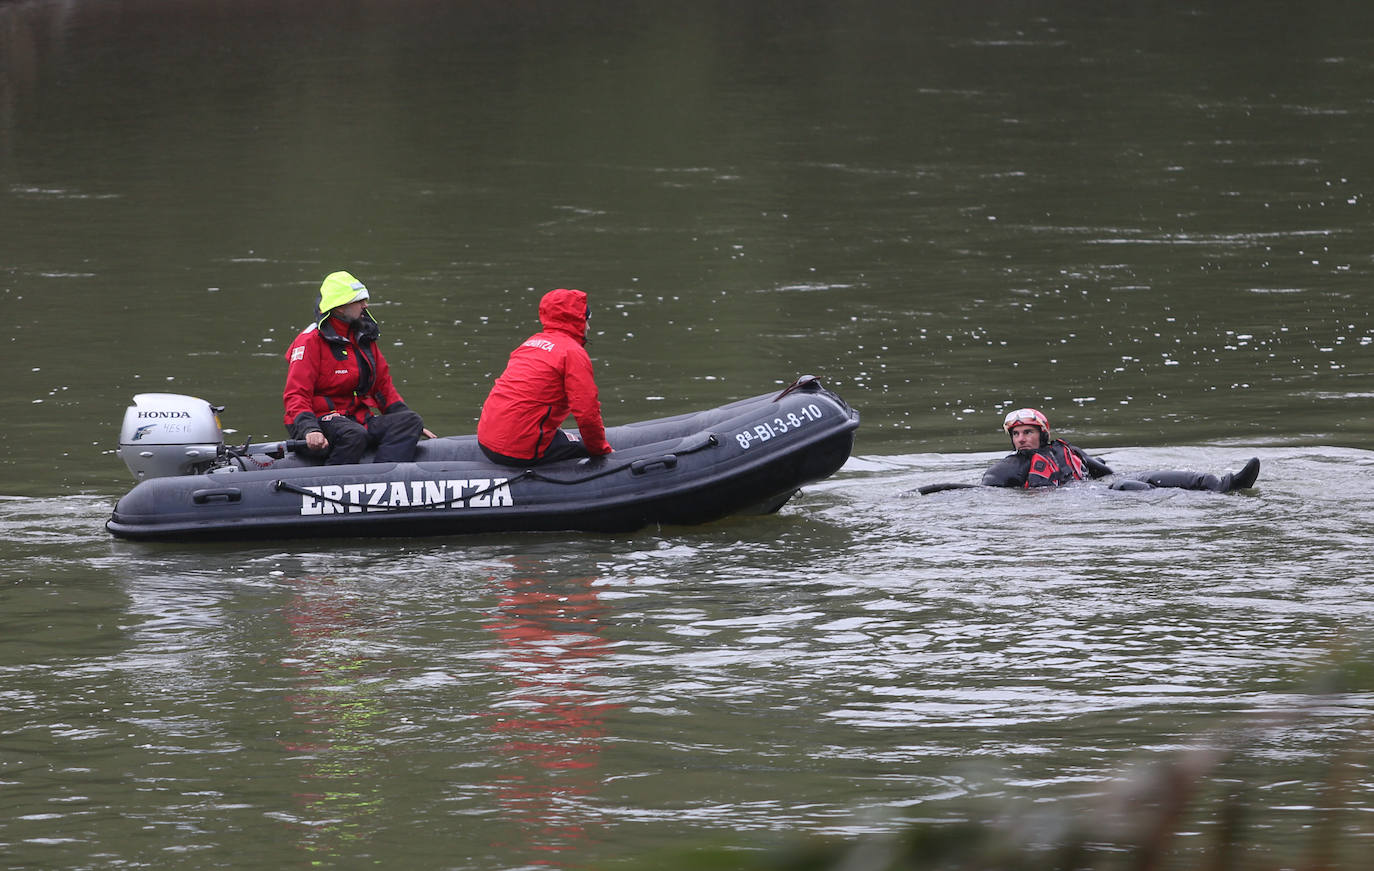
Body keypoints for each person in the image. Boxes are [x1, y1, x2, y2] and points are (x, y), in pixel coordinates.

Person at [282, 271, 434, 465]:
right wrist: (310, 429)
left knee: (410, 421)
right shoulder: (309, 341)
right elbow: (296, 394)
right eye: (359, 300)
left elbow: (383, 387)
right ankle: (333, 480)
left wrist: (407, 422)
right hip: (319, 421)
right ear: (339, 307)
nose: (365, 305)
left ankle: (384, 477)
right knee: (353, 434)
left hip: (356, 419)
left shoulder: (363, 337)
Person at [477, 287, 613, 467]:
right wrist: (602, 451)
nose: (589, 327)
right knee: (586, 449)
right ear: (578, 321)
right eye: (587, 320)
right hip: (519, 449)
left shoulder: (531, 342)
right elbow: (587, 412)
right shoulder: (572, 353)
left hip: (485, 440)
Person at [981, 408, 1260, 492]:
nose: (1021, 439)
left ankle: (1224, 484)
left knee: (1151, 476)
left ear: (1042, 433)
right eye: (1016, 434)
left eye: (1028, 432)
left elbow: (1106, 473)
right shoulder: (1009, 467)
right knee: (1127, 486)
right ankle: (1194, 502)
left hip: (1097, 487)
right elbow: (984, 490)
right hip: (1086, 500)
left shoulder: (1067, 449)